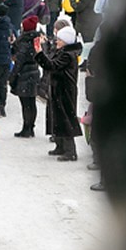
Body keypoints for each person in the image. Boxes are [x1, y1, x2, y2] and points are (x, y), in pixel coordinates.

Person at [34, 25, 82, 160]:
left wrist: (39, 54)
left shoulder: (67, 55)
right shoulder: (63, 52)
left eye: (59, 39)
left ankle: (70, 151)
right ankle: (60, 146)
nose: (56, 41)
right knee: (58, 117)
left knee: (65, 118)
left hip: (64, 90)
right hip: (59, 88)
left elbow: (52, 65)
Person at [10, 15, 42, 137]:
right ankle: (30, 127)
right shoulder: (36, 40)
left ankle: (26, 128)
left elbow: (19, 62)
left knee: (26, 103)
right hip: (34, 72)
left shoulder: (24, 42)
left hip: (24, 74)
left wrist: (12, 77)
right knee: (31, 103)